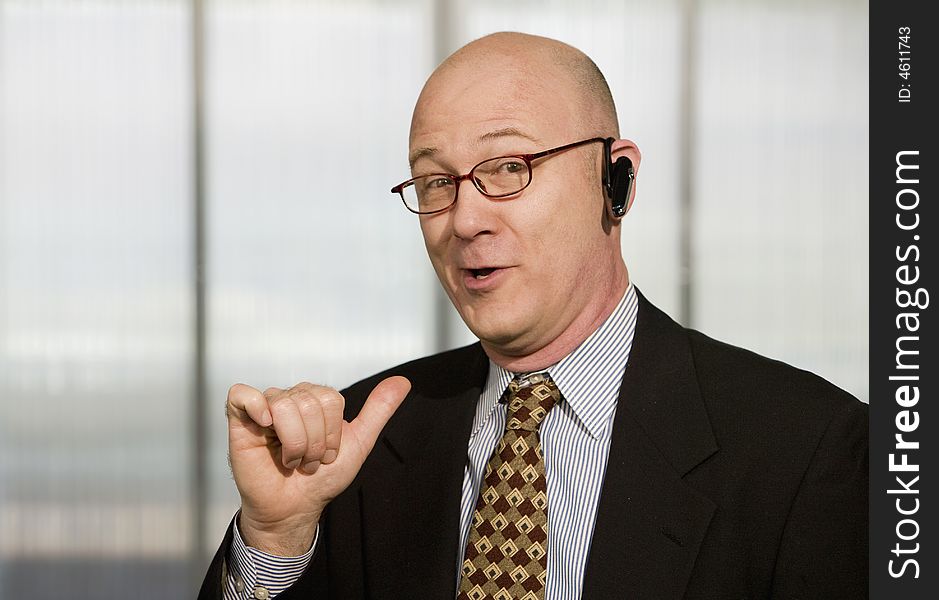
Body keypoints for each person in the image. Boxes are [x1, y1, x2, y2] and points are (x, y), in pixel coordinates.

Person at [199, 32, 868, 600]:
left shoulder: (808, 448)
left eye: (509, 167)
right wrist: (276, 539)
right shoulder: (351, 446)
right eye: (436, 182)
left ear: (616, 181)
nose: (464, 220)